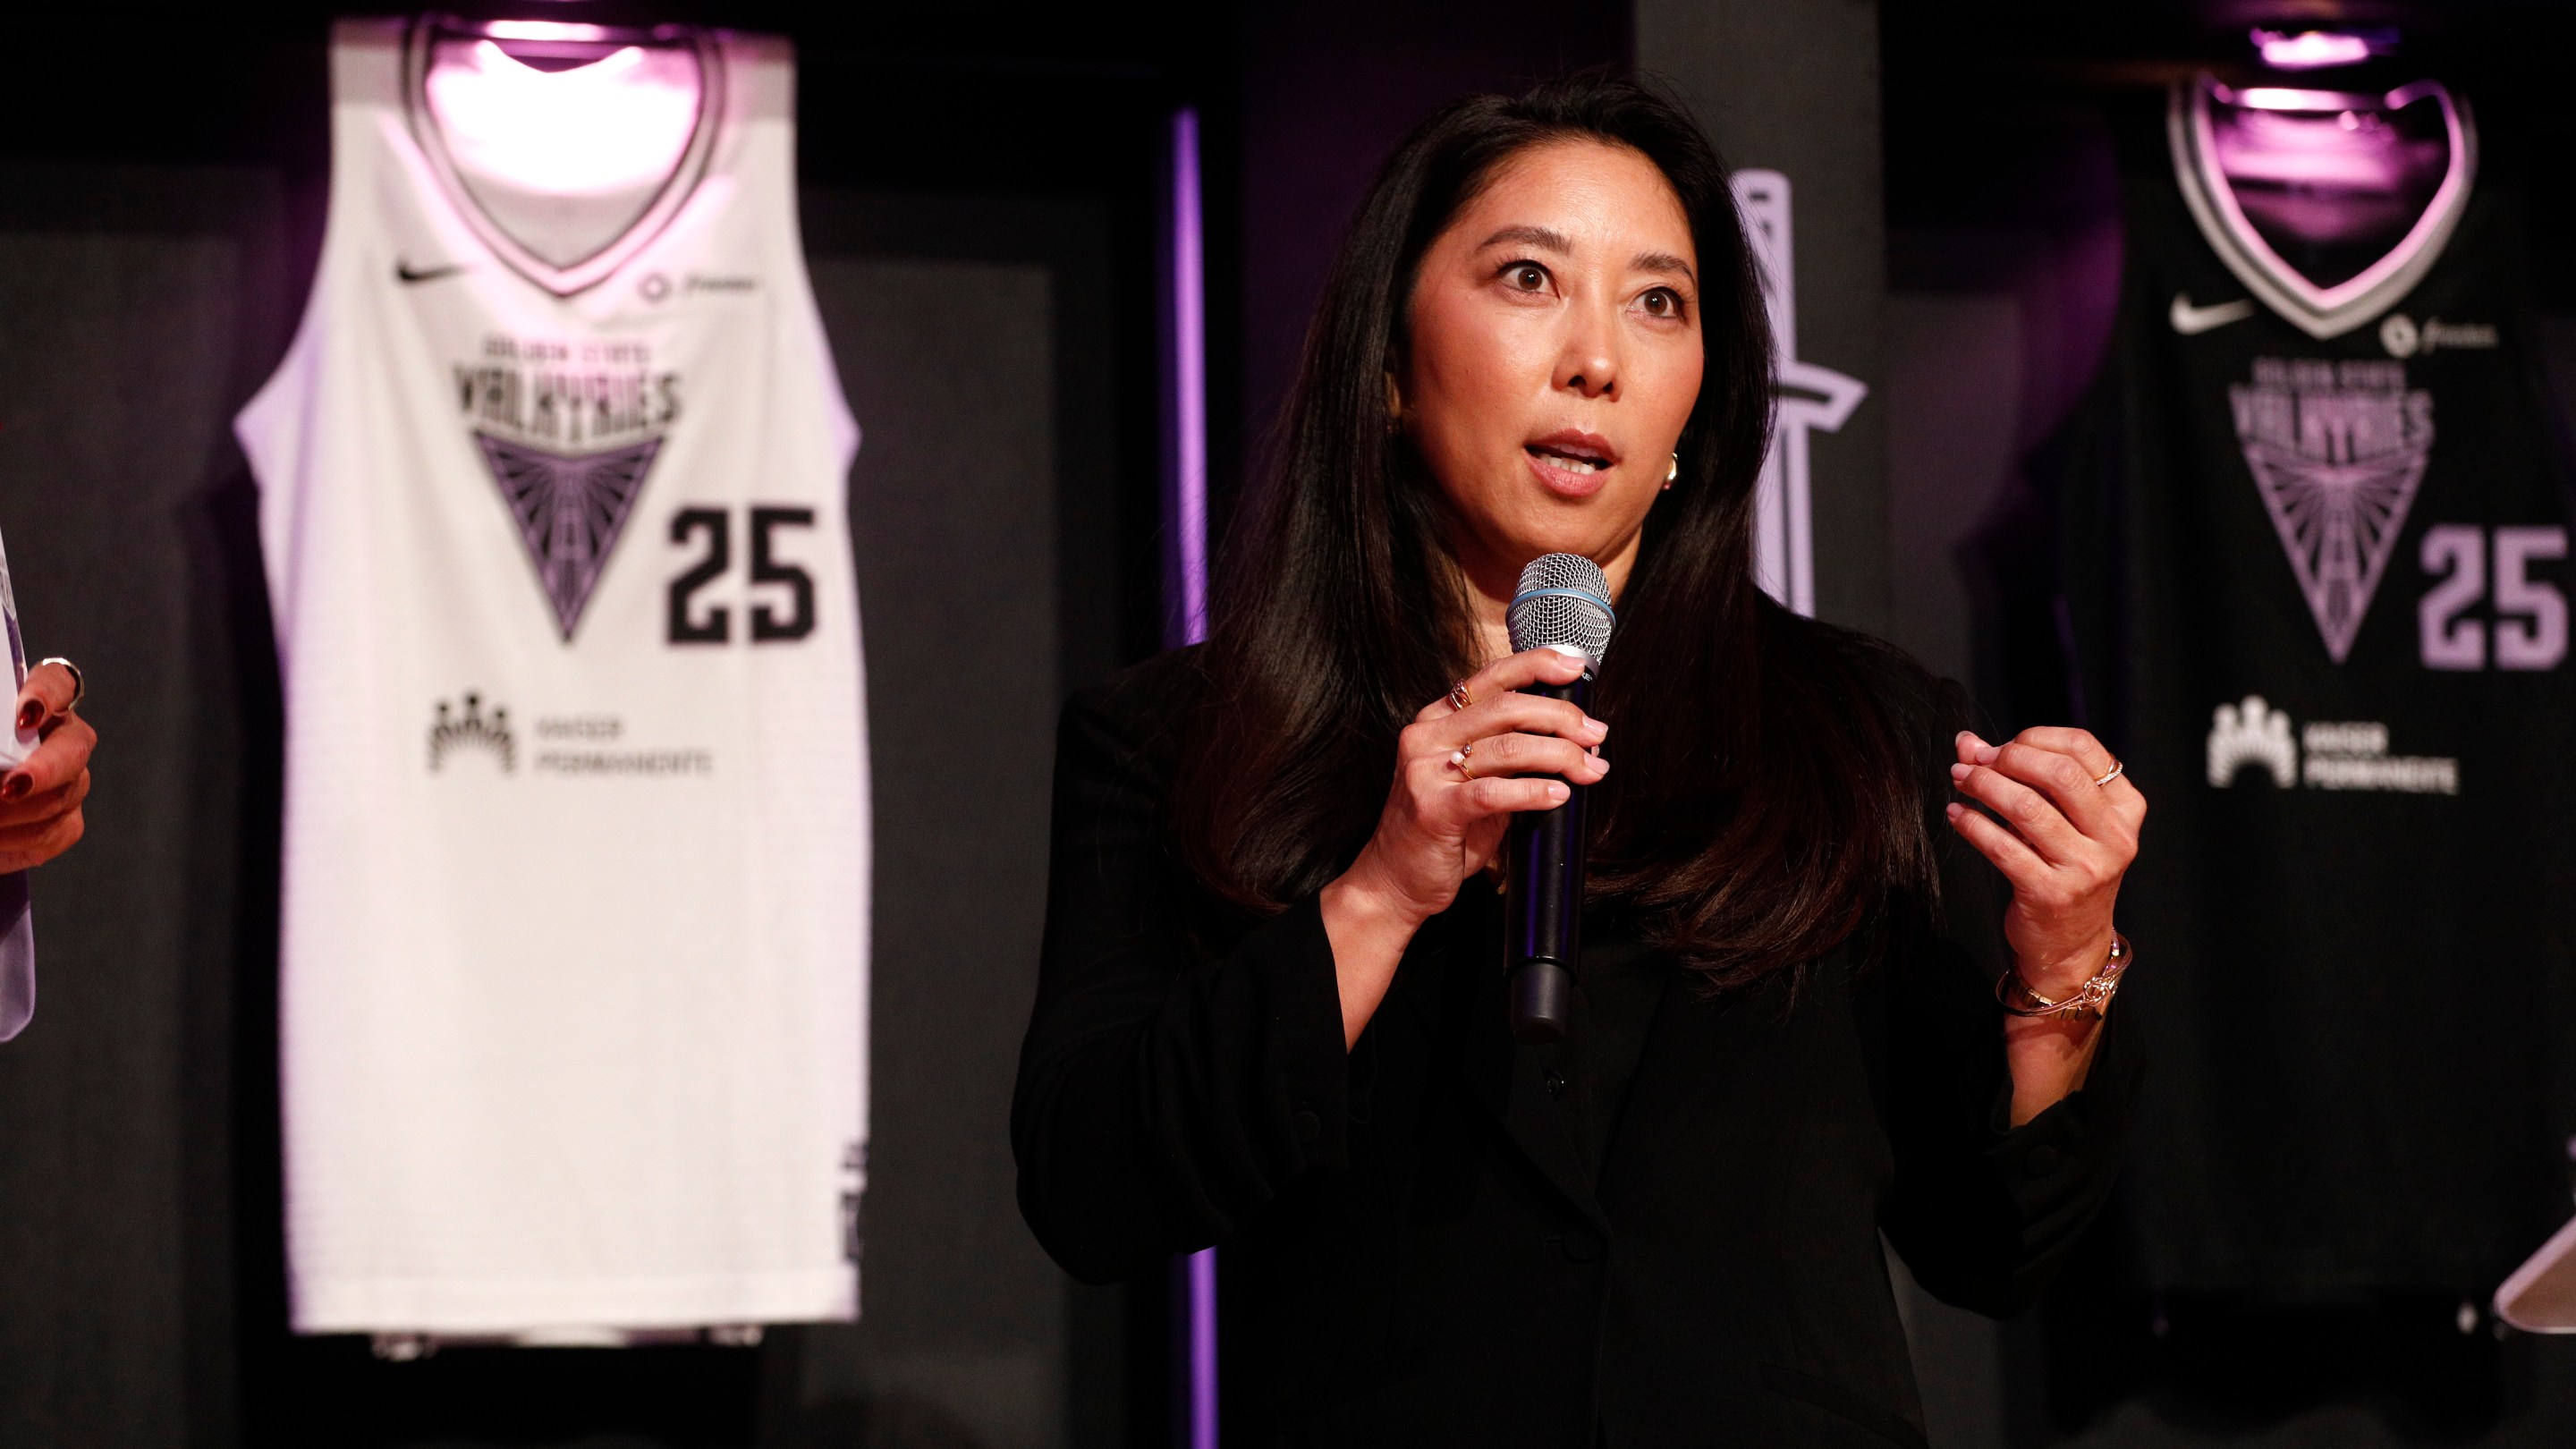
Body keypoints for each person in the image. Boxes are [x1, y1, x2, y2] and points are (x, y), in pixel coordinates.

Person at [1013, 72, 2145, 1445]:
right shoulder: (1185, 741)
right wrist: (1383, 888)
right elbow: (1093, 1189)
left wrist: (2062, 968)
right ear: (1386, 360)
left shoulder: (1861, 733)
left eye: (1658, 302)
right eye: (1529, 278)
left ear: (1696, 407)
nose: (1595, 357)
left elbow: (1992, 1250)